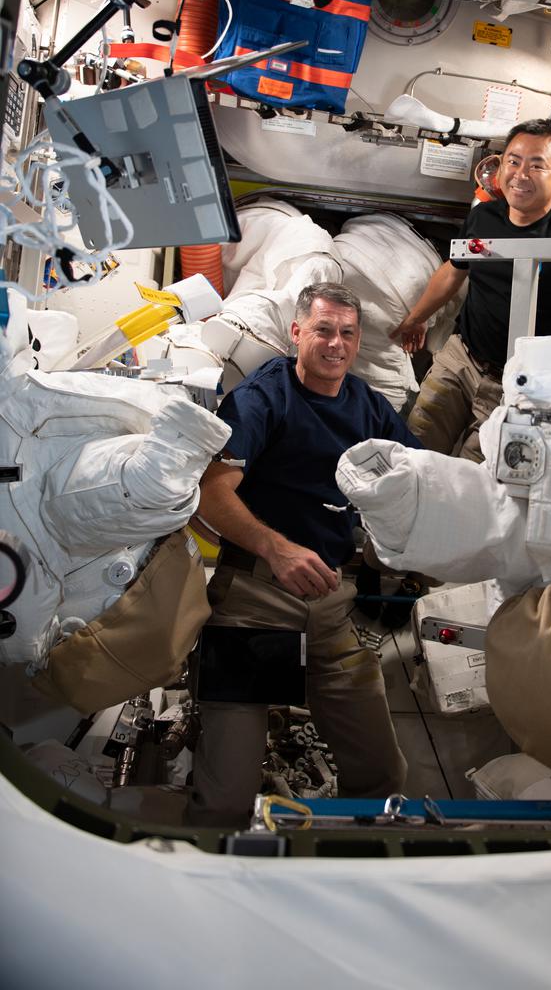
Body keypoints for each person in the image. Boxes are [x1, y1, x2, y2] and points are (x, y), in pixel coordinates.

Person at [190, 281, 421, 820]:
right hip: (256, 601)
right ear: (296, 332)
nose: (335, 343)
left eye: (347, 333)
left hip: (333, 607)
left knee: (384, 778)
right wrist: (277, 549)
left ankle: (349, 880)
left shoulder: (367, 404)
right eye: (322, 330)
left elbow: (420, 473)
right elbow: (210, 491)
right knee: (226, 795)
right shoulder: (264, 397)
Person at [392, 119, 551, 461]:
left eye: (537, 164)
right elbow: (454, 271)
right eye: (513, 160)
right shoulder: (483, 219)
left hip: (517, 382)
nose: (520, 174)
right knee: (414, 451)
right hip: (460, 359)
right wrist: (415, 319)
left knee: (473, 478)